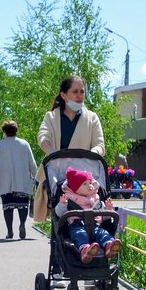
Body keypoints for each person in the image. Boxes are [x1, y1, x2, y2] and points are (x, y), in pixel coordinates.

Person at [34, 75, 105, 222]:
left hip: (85, 178)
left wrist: (90, 156)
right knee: (60, 213)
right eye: (75, 91)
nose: (79, 95)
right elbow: (43, 137)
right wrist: (52, 154)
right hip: (59, 174)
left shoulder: (92, 118)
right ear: (63, 95)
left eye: (82, 91)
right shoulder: (51, 117)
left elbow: (100, 144)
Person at [54, 167, 121, 263]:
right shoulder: (69, 200)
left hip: (95, 226)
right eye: (84, 184)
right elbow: (59, 214)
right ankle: (85, 250)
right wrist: (62, 204)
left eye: (90, 183)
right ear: (75, 188)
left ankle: (109, 246)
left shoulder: (96, 200)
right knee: (80, 235)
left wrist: (108, 209)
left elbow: (105, 217)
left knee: (103, 233)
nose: (89, 186)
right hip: (77, 226)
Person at [0, 120, 37, 240]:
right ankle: (22, 224)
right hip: (22, 181)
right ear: (16, 131)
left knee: (8, 207)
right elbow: (32, 163)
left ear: (4, 131)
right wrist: (35, 176)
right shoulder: (24, 144)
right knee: (23, 206)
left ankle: (10, 231)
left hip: (5, 182)